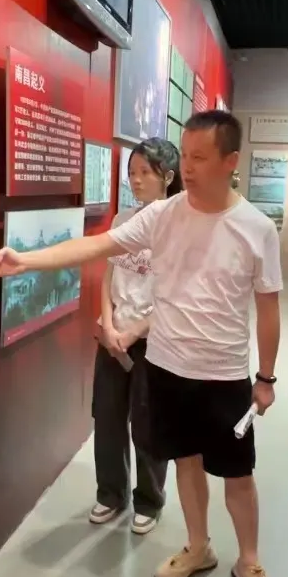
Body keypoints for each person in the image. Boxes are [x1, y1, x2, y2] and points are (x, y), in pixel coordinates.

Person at [0, 110, 285, 577]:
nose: (189, 168)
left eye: (201, 158)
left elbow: (268, 308)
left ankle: (250, 561)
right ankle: (198, 546)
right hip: (167, 367)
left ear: (230, 161)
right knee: (185, 462)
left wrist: (265, 377)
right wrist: (25, 259)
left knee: (238, 475)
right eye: (187, 156)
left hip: (224, 373)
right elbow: (98, 244)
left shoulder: (256, 228)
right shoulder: (163, 215)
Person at [89, 138, 182, 535]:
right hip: (113, 337)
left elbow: (176, 295)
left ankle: (149, 500)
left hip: (152, 340)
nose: (136, 179)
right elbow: (108, 275)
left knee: (147, 423)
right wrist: (109, 327)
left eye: (146, 172)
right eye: (132, 171)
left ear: (168, 176)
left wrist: (132, 333)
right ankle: (111, 494)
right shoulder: (122, 219)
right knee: (107, 417)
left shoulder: (180, 227)